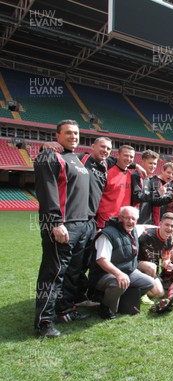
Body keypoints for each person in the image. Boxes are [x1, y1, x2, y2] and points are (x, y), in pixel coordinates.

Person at [34, 120, 94, 337]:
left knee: (71, 272)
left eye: (76, 133)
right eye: (68, 133)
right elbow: (47, 192)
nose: (73, 137)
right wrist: (55, 223)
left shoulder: (77, 159)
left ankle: (65, 309)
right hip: (62, 225)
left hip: (81, 224)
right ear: (57, 135)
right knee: (53, 274)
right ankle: (44, 321)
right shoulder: (49, 156)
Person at [89, 206, 157, 320]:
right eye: (127, 218)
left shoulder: (134, 229)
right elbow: (101, 260)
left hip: (129, 272)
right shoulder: (107, 235)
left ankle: (121, 300)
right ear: (120, 218)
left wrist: (165, 227)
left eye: (133, 219)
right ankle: (105, 307)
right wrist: (119, 274)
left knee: (149, 283)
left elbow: (146, 226)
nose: (131, 222)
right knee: (118, 283)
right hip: (104, 275)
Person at [96, 145, 136, 228]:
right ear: (118, 155)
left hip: (123, 222)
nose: (128, 159)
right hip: (106, 222)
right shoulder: (107, 173)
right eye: (126, 155)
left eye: (131, 157)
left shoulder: (130, 174)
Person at [132, 150, 173, 225]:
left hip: (148, 222)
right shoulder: (136, 176)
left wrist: (172, 196)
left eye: (155, 164)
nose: (153, 166)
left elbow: (155, 202)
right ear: (143, 162)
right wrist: (157, 193)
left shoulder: (148, 178)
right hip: (137, 221)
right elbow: (137, 197)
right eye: (150, 163)